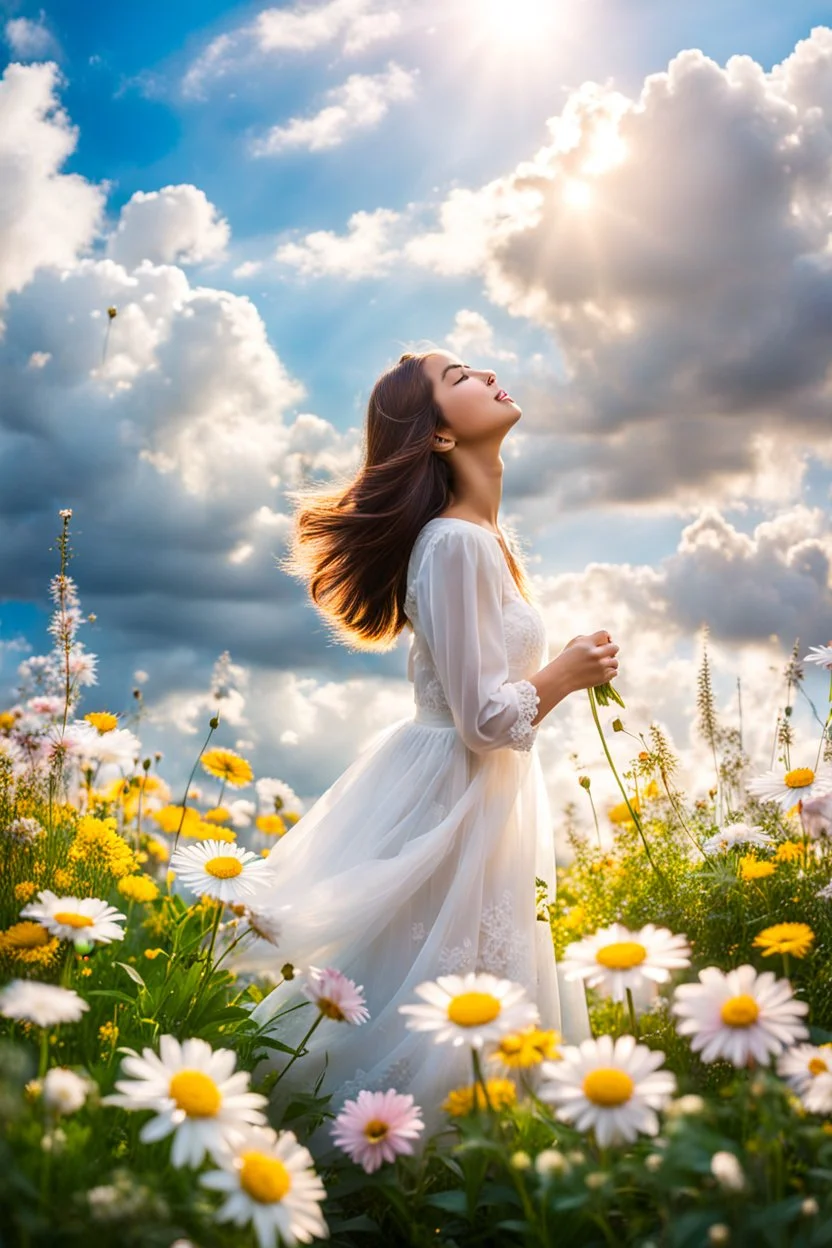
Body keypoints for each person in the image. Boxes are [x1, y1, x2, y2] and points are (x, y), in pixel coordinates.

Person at [232, 347, 620, 1155]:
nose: (486, 375)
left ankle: (458, 1168)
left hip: (486, 794)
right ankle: (393, 1169)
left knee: (465, 986)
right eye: (460, 378)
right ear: (439, 435)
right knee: (431, 990)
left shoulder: (483, 539)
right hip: (456, 789)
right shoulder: (452, 543)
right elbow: (482, 719)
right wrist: (566, 672)